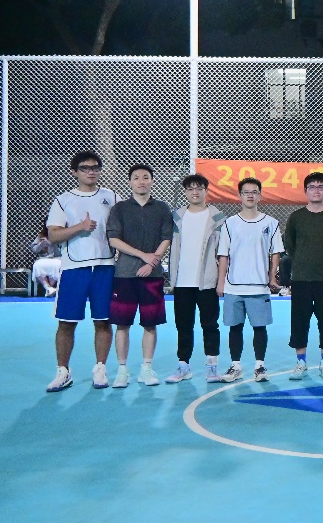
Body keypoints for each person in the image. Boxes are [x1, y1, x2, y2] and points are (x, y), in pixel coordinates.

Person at [44, 152, 121, 392]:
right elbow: (53, 235)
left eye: (95, 167)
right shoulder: (63, 200)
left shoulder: (112, 197)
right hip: (74, 269)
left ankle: (100, 368)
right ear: (74, 172)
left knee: (103, 320)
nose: (91, 171)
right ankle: (63, 371)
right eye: (85, 168)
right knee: (66, 323)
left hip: (105, 268)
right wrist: (80, 227)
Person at [106, 164, 173, 388]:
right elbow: (114, 239)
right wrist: (143, 256)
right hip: (125, 274)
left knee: (150, 324)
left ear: (152, 181)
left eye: (145, 177)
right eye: (136, 178)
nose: (141, 181)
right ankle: (122, 371)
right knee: (122, 324)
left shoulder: (162, 208)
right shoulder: (120, 209)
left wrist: (152, 262)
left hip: (152, 276)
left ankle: (147, 368)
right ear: (130, 182)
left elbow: (166, 238)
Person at [216, 177, 283, 384]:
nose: (250, 195)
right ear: (240, 196)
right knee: (234, 327)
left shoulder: (271, 223)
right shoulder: (230, 223)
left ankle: (259, 366)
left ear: (260, 195)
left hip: (259, 286)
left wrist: (271, 277)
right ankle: (235, 366)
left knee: (259, 328)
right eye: (246, 192)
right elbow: (223, 254)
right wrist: (220, 282)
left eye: (254, 192)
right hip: (234, 286)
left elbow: (275, 253)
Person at [284, 171, 323, 381]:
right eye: (312, 187)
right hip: (301, 278)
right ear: (305, 191)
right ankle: (300, 362)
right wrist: (302, 262)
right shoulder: (296, 217)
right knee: (299, 322)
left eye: (321, 187)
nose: (316, 191)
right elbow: (290, 246)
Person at [167, 174, 227, 383]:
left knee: (210, 325)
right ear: (185, 192)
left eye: (199, 188)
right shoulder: (177, 217)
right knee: (183, 326)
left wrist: (220, 281)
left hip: (207, 282)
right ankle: (183, 366)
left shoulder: (217, 218)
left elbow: (223, 252)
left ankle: (212, 368)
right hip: (182, 282)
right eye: (191, 188)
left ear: (206, 191)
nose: (195, 192)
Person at [31, 225, 62, 296]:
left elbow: (61, 251)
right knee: (37, 266)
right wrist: (41, 244)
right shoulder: (41, 236)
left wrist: (53, 244)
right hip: (43, 258)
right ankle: (49, 288)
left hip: (57, 258)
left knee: (57, 265)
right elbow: (34, 249)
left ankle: (49, 289)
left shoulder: (61, 236)